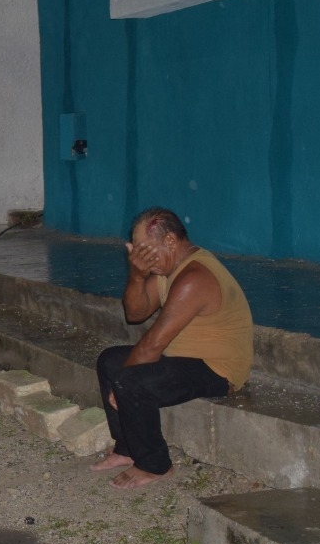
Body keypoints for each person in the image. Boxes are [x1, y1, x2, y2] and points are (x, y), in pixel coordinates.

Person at [92, 207, 253, 489]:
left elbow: (153, 343)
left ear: (169, 241)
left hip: (217, 369)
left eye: (144, 250)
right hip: (184, 358)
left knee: (128, 380)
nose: (139, 258)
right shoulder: (168, 269)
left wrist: (121, 388)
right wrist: (138, 276)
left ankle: (156, 465)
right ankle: (126, 448)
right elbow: (135, 314)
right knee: (110, 361)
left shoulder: (194, 277)